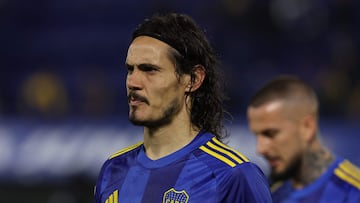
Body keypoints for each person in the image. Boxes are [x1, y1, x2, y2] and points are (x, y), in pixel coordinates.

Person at [94, 13, 272, 203]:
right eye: (131, 69)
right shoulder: (113, 170)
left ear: (193, 80)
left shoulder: (232, 175)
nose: (133, 82)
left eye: (150, 70)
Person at [247, 75, 360, 202]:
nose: (260, 149)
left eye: (271, 133)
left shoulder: (354, 193)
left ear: (308, 127)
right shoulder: (268, 195)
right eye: (257, 135)